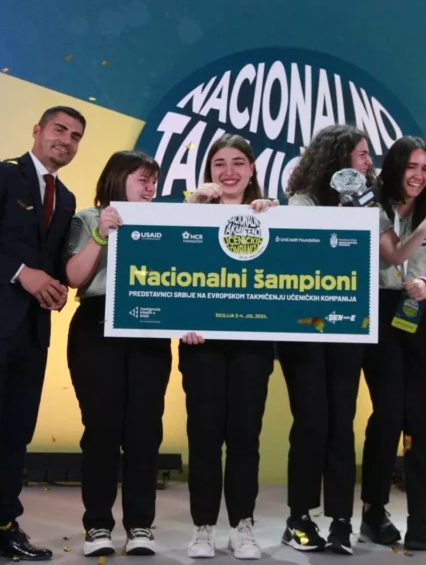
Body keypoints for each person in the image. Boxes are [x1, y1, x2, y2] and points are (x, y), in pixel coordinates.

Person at [0, 106, 86, 565]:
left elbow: (52, 262)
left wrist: (56, 288)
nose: (66, 140)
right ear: (38, 130)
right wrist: (22, 273)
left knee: (17, 435)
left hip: (32, 329)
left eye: (76, 136)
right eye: (59, 129)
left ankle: (2, 531)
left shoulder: (66, 198)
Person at [63, 150, 171, 557]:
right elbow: (74, 277)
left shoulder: (162, 219)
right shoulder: (88, 218)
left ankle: (140, 525)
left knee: (145, 429)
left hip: (149, 326)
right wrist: (101, 233)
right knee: (102, 428)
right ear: (117, 177)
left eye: (154, 180)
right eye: (143, 179)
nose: (150, 187)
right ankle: (97, 525)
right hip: (97, 324)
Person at [178, 134, 280, 560]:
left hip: (252, 343)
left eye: (238, 162)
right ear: (209, 171)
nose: (229, 171)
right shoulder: (191, 212)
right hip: (201, 342)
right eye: (219, 163)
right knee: (203, 436)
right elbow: (170, 269)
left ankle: (243, 525)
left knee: (244, 437)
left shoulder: (271, 215)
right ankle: (203, 527)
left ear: (252, 169)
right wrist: (181, 320)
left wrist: (276, 220)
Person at [359, 136, 426, 552]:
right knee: (387, 416)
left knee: (421, 419)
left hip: (425, 315)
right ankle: (373, 512)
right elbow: (393, 256)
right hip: (381, 311)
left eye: (425, 169)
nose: (418, 176)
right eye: (411, 167)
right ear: (394, 168)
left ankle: (419, 518)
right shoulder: (373, 209)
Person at [278, 123, 374, 556]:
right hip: (303, 325)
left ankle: (340, 520)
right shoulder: (302, 201)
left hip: (348, 325)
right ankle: (298, 518)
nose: (368, 162)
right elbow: (304, 252)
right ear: (338, 159)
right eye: (361, 154)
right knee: (312, 421)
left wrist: (362, 206)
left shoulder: (368, 199)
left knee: (341, 422)